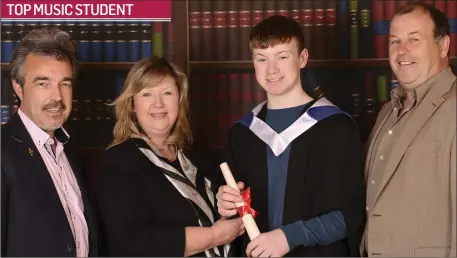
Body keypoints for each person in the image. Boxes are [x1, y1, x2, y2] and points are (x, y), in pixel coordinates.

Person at [216, 15, 366, 257]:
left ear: (302, 58)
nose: (272, 69)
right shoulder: (243, 133)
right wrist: (225, 207)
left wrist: (288, 237)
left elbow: (349, 216)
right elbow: (236, 220)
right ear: (252, 62)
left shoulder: (335, 127)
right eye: (262, 59)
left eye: (282, 56)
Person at [93, 56, 245, 257]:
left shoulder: (197, 158)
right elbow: (132, 242)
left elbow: (218, 216)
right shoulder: (119, 163)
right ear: (132, 104)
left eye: (167, 93)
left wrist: (228, 208)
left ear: (179, 99)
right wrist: (213, 236)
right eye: (147, 94)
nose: (158, 104)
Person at [362, 2, 456, 257]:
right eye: (394, 41)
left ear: (443, 45)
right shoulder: (387, 112)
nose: (402, 51)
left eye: (414, 39)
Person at [1, 27, 99, 256]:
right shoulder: (2, 151)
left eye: (64, 83)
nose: (56, 96)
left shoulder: (70, 152)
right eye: (43, 83)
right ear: (19, 88)